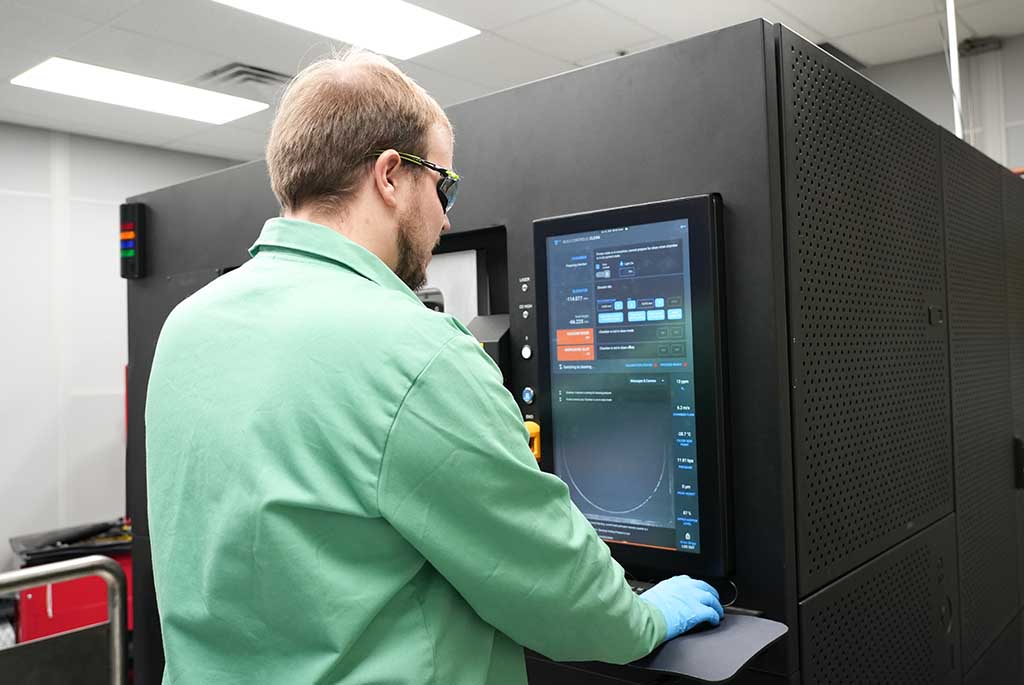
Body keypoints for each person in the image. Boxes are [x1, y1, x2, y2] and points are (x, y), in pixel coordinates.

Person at [145, 49, 723, 685]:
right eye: (444, 185)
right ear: (390, 176)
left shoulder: (187, 327)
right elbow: (561, 598)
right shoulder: (418, 353)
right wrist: (642, 618)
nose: (447, 217)